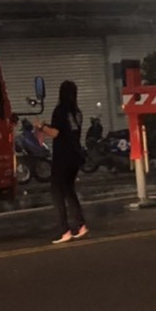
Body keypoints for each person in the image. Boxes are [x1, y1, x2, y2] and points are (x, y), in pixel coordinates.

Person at [34, 80, 87, 244]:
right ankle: (81, 225)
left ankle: (65, 230)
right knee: (69, 190)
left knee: (56, 193)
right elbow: (67, 130)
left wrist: (41, 126)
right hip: (75, 155)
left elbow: (56, 132)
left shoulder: (60, 111)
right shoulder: (77, 113)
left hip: (63, 157)